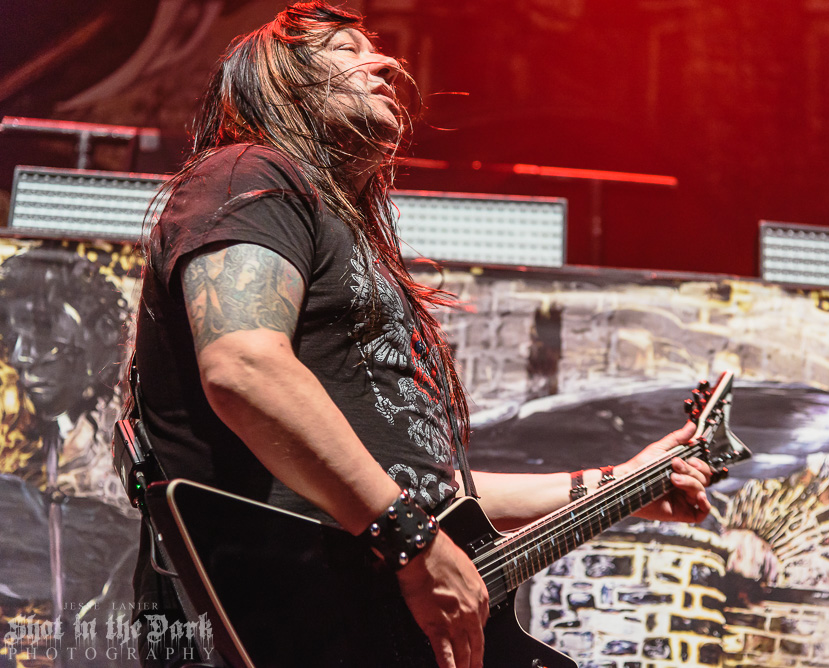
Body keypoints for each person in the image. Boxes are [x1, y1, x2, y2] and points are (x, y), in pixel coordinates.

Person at [129, 3, 713, 667]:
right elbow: (244, 366)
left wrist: (624, 482)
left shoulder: (352, 247)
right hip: (296, 612)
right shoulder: (249, 174)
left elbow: (431, 488)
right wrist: (410, 541)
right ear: (280, 82)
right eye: (344, 50)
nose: (381, 63)